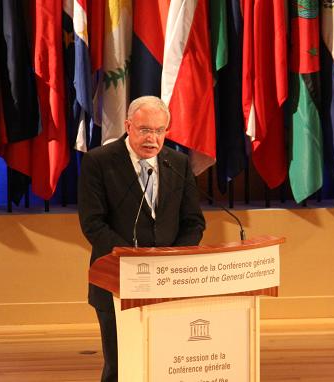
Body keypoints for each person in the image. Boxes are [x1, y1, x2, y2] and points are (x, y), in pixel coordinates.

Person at [77, 95, 205, 382]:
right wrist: (132, 258)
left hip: (168, 281)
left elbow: (193, 222)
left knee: (165, 363)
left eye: (160, 131)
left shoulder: (178, 163)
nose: (153, 139)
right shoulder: (99, 162)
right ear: (128, 126)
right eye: (145, 129)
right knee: (121, 365)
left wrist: (171, 260)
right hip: (116, 280)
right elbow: (93, 224)